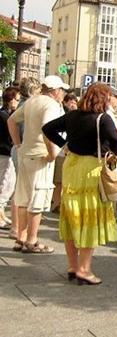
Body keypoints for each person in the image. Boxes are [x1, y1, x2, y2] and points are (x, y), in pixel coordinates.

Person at [43, 83, 117, 285]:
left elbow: (48, 129)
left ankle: (72, 266)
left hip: (72, 167)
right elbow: (116, 142)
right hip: (91, 169)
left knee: (72, 217)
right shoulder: (102, 119)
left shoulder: (72, 115)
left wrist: (64, 145)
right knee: (89, 218)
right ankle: (84, 269)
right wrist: (108, 151)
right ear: (103, 99)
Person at [7, 75, 68, 253]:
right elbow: (47, 128)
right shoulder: (51, 105)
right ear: (55, 91)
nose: (63, 94)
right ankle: (32, 240)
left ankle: (21, 238)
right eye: (62, 90)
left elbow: (12, 121)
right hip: (40, 156)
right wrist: (52, 153)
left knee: (23, 198)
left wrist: (18, 144)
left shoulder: (32, 101)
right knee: (37, 199)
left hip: (25, 154)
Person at [8, 77, 41, 239]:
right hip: (23, 150)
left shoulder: (24, 105)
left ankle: (17, 228)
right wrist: (19, 144)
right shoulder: (28, 106)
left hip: (19, 149)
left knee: (19, 190)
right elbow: (13, 123)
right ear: (33, 90)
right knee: (22, 192)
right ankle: (17, 229)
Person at [0, 86, 21, 229]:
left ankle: (1, 213)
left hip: (6, 152)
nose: (18, 102)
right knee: (5, 184)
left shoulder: (7, 114)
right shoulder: (4, 115)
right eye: (17, 100)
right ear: (11, 100)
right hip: (4, 152)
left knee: (7, 184)